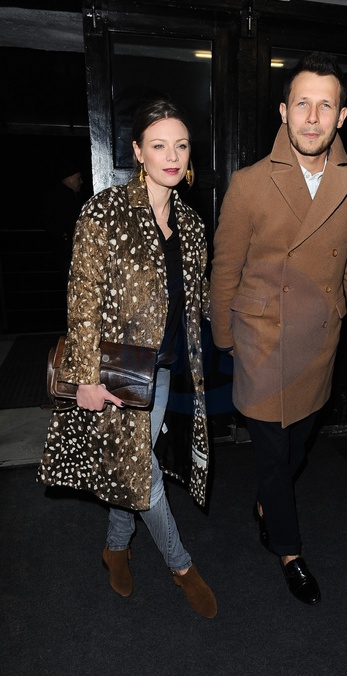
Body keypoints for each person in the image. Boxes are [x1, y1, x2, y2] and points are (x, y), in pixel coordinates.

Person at [38, 98, 217, 619]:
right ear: (138, 151)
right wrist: (85, 378)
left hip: (163, 371)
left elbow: (197, 299)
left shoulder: (190, 223)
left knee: (131, 466)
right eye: (159, 145)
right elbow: (82, 298)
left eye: (181, 145)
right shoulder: (105, 211)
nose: (172, 156)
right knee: (143, 471)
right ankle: (182, 566)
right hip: (115, 372)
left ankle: (116, 547)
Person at [210, 51, 347, 605]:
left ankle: (267, 500)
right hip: (262, 340)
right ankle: (289, 550)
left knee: (298, 444)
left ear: (341, 117)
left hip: (319, 340)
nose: (312, 117)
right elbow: (226, 268)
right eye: (302, 104)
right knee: (272, 454)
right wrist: (225, 338)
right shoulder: (250, 183)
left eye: (325, 106)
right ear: (283, 111)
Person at [42, 150, 85, 278]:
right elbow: (45, 219)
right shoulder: (62, 196)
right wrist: (63, 233)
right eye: (78, 178)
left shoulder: (63, 195)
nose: (81, 182)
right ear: (70, 179)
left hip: (67, 251)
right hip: (67, 251)